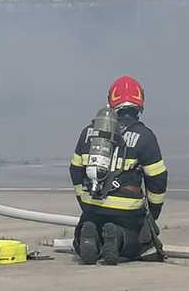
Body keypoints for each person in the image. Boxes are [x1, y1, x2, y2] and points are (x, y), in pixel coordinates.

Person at [69, 76, 168, 265]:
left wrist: (85, 202)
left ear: (111, 101)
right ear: (140, 103)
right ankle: (119, 237)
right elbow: (158, 179)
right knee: (139, 242)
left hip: (92, 206)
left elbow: (75, 170)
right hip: (126, 212)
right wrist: (153, 214)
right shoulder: (145, 136)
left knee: (80, 237)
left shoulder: (88, 132)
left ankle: (91, 237)